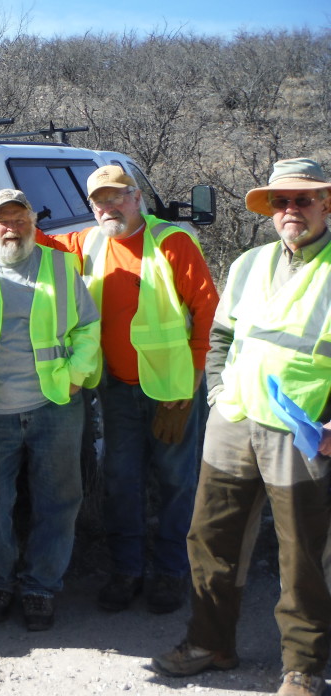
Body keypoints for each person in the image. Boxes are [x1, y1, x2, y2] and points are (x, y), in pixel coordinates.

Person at [153, 158, 331, 696]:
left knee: (301, 553)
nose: (291, 210)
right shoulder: (249, 263)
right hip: (233, 421)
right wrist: (217, 393)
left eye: (303, 199)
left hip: (302, 433)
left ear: (327, 204)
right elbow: (221, 338)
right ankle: (210, 643)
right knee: (209, 539)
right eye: (281, 201)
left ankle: (303, 667)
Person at [38, 165, 218, 615]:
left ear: (137, 198)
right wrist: (12, 219)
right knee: (121, 481)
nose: (108, 206)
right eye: (99, 200)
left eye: (117, 197)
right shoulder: (87, 241)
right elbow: (35, 245)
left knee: (177, 482)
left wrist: (195, 377)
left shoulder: (172, 242)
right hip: (117, 386)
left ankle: (172, 573)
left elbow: (208, 310)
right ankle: (127, 571)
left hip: (173, 387)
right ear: (90, 207)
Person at [0, 190, 100, 632]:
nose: (11, 227)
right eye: (2, 219)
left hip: (54, 403)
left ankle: (40, 588)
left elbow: (88, 325)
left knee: (58, 501)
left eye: (20, 217)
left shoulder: (58, 264)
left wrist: (76, 374)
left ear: (33, 220)